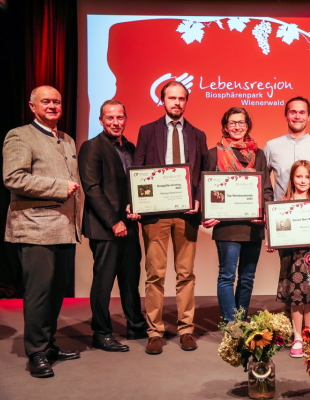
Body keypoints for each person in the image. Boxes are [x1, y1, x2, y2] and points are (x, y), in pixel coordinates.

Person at [2, 85, 81, 378]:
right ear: (32, 106)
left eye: (57, 101)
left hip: (64, 227)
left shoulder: (67, 139)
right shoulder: (20, 135)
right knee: (39, 292)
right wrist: (59, 187)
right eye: (46, 101)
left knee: (57, 290)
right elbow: (13, 178)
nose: (52, 105)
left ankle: (48, 345)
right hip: (35, 227)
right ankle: (35, 351)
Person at [133, 81, 207, 354]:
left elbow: (201, 174)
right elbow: (138, 168)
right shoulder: (147, 131)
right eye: (171, 98)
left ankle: (186, 329)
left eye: (181, 98)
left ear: (186, 101)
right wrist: (139, 202)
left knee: (186, 274)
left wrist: (198, 198)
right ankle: (155, 331)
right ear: (162, 100)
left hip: (186, 215)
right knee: (155, 274)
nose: (177, 102)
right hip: (156, 215)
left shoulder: (198, 134)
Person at [78, 100, 149, 352]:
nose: (115, 122)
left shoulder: (130, 147)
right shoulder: (91, 147)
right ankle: (101, 332)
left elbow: (136, 186)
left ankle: (136, 325)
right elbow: (92, 189)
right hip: (105, 227)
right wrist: (114, 221)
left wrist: (137, 207)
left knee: (131, 279)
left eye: (120, 117)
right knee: (104, 282)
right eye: (110, 118)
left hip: (129, 226)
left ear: (126, 119)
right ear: (101, 121)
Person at [201, 107, 274, 322]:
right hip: (227, 226)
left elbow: (266, 189)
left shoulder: (259, 154)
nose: (237, 127)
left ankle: (241, 320)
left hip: (253, 224)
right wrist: (207, 213)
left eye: (241, 123)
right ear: (225, 126)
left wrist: (265, 215)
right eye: (232, 123)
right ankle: (230, 323)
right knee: (227, 275)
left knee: (247, 278)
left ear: (248, 126)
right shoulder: (214, 153)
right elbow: (206, 188)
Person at [271, 160, 310, 358]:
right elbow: (278, 230)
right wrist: (272, 240)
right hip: (292, 256)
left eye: (307, 177)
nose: (303, 180)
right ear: (292, 178)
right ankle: (297, 336)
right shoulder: (283, 202)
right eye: (299, 176)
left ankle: (309, 335)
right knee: (296, 296)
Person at [264, 96, 310, 200]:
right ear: (286, 116)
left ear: (308, 117)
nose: (297, 116)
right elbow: (263, 184)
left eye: (302, 113)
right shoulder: (271, 146)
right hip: (282, 211)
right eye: (293, 112)